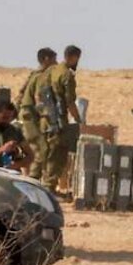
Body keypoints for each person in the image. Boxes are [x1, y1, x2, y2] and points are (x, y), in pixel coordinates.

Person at [18, 48, 60, 184]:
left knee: (38, 149)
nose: (57, 62)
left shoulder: (35, 74)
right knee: (41, 149)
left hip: (28, 115)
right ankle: (31, 183)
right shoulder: (42, 76)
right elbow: (39, 100)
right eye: (54, 59)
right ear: (46, 59)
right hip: (29, 116)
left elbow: (21, 93)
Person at [55, 45, 83, 192]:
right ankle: (60, 186)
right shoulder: (67, 75)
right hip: (58, 119)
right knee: (62, 152)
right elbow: (70, 101)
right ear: (73, 57)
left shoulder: (54, 70)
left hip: (45, 118)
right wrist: (79, 119)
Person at [0, 99, 28, 171]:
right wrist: (2, 149)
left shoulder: (14, 131)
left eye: (10, 118)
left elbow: (30, 155)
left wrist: (15, 165)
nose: (7, 121)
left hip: (8, 172)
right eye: (4, 118)